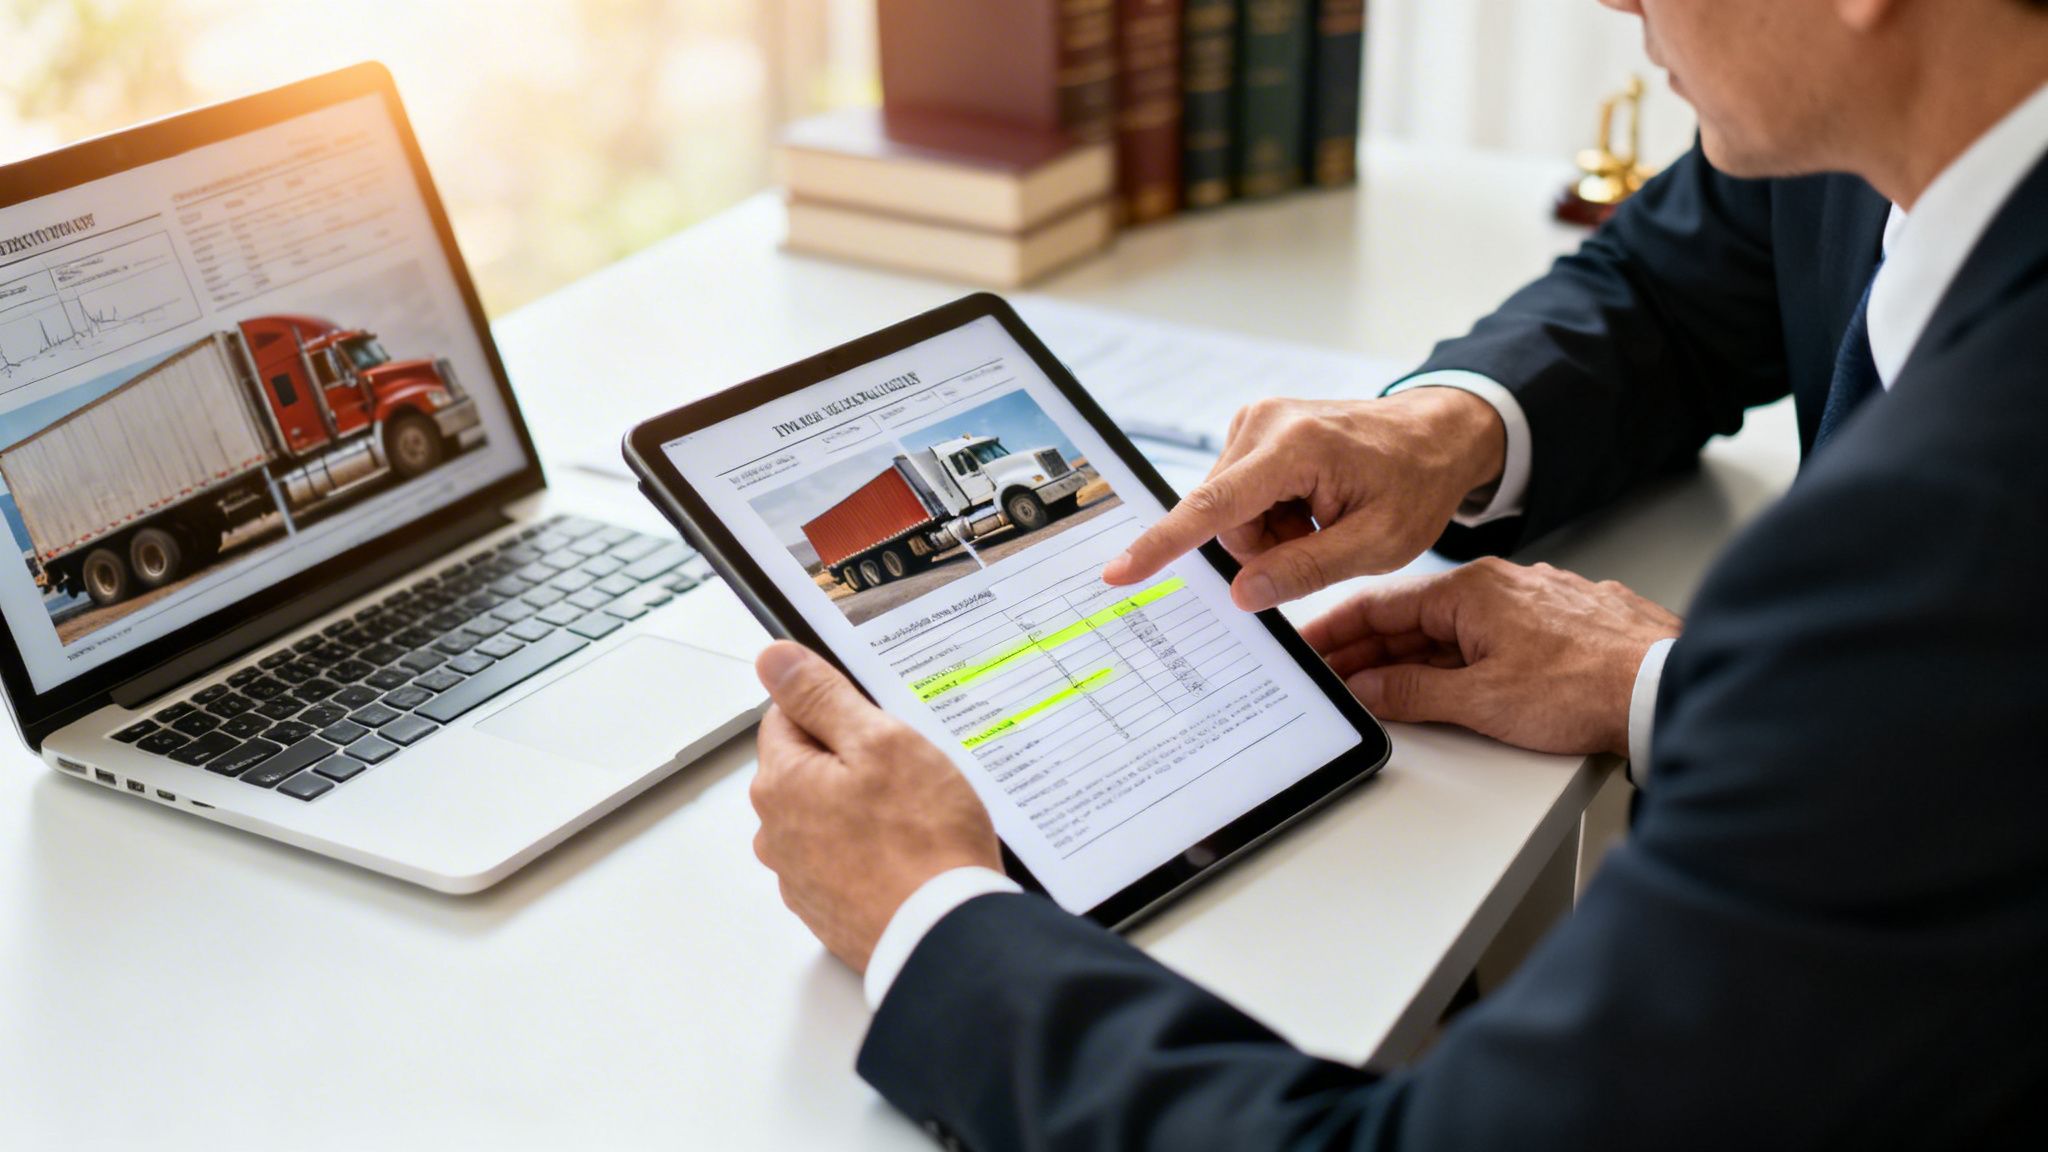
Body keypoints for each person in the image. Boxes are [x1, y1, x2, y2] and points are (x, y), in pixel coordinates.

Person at [747, 0, 2048, 1145]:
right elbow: (1685, 275)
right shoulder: (1939, 125)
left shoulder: (1949, 530)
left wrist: (931, 919)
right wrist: (1448, 432)